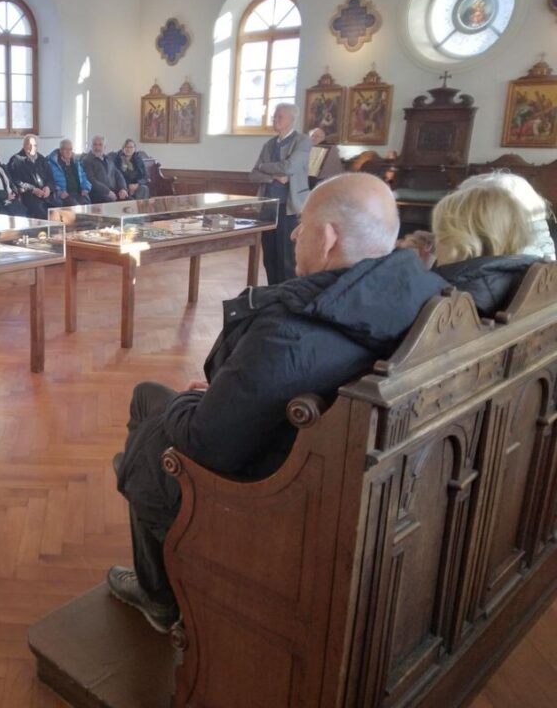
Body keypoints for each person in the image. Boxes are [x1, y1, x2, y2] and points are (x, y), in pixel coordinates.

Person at [107, 173, 448, 633]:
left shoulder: (289, 330)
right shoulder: (416, 297)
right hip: (319, 454)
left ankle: (159, 595)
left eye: (303, 224)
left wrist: (194, 401)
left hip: (268, 483)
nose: (293, 233)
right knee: (149, 396)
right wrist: (221, 396)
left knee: (145, 437)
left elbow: (206, 443)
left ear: (327, 239)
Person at [428, 174, 548, 318]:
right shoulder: (528, 274)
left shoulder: (451, 297)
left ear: (461, 244)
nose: (434, 243)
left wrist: (419, 273)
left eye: (439, 235)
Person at [249, 103, 312, 285]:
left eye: (279, 117)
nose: (275, 120)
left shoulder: (302, 141)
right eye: (274, 116)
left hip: (289, 207)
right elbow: (253, 174)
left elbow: (289, 167)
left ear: (292, 119)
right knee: (269, 257)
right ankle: (272, 292)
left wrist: (264, 167)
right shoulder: (269, 144)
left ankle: (287, 294)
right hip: (268, 207)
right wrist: (274, 177)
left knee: (287, 258)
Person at [7, 134, 61, 219]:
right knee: (42, 213)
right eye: (30, 145)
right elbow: (15, 181)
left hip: (46, 195)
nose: (32, 148)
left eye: (35, 145)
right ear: (24, 145)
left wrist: (48, 187)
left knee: (59, 211)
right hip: (28, 196)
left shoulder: (41, 159)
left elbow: (51, 178)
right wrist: (32, 189)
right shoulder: (16, 160)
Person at [82, 135, 129, 203]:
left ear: (104, 147)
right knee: (109, 201)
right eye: (95, 144)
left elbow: (118, 174)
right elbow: (91, 180)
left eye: (100, 145)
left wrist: (123, 188)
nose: (97, 147)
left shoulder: (109, 159)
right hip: (98, 194)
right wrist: (107, 192)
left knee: (130, 201)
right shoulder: (87, 160)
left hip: (113, 191)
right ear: (91, 146)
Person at [48, 139, 92, 206]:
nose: (68, 152)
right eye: (66, 149)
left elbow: (83, 177)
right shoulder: (52, 164)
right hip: (64, 195)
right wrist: (59, 192)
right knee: (76, 206)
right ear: (60, 150)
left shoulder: (76, 163)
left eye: (70, 149)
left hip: (79, 193)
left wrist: (85, 188)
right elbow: (50, 182)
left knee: (88, 204)